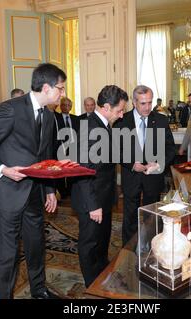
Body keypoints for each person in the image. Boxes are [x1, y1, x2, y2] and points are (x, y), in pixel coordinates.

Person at [0, 63, 65, 299]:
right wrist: (3, 169)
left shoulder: (48, 115)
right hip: (9, 193)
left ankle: (39, 291)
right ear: (46, 87)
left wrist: (48, 190)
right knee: (9, 253)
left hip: (35, 193)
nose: (63, 93)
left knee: (37, 247)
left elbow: (45, 157)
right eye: (61, 88)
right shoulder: (11, 109)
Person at [71, 85, 128, 288]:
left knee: (102, 237)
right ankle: (92, 283)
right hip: (91, 199)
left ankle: (102, 269)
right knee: (90, 241)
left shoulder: (102, 124)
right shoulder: (90, 128)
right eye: (119, 110)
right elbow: (84, 171)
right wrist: (93, 205)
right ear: (105, 107)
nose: (121, 115)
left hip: (103, 195)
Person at [115, 85, 175, 245]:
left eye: (150, 102)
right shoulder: (121, 121)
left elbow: (170, 148)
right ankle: (128, 250)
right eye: (143, 103)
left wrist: (159, 164)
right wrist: (131, 164)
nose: (147, 107)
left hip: (153, 178)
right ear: (134, 102)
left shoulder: (161, 120)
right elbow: (115, 150)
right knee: (130, 215)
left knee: (152, 216)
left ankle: (150, 247)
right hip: (131, 176)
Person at [54, 97, 79, 198]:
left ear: (71, 107)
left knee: (71, 170)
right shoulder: (56, 117)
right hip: (60, 148)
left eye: (68, 105)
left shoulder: (75, 118)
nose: (66, 107)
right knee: (60, 171)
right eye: (64, 105)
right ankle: (62, 192)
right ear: (60, 106)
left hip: (73, 148)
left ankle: (70, 190)